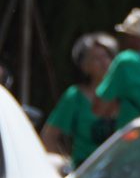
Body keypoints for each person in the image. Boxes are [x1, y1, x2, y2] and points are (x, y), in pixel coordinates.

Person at [41, 33, 120, 169]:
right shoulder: (75, 96)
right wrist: (63, 169)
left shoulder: (125, 95)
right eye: (96, 58)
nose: (104, 63)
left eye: (107, 56)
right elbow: (49, 137)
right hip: (85, 171)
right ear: (85, 66)